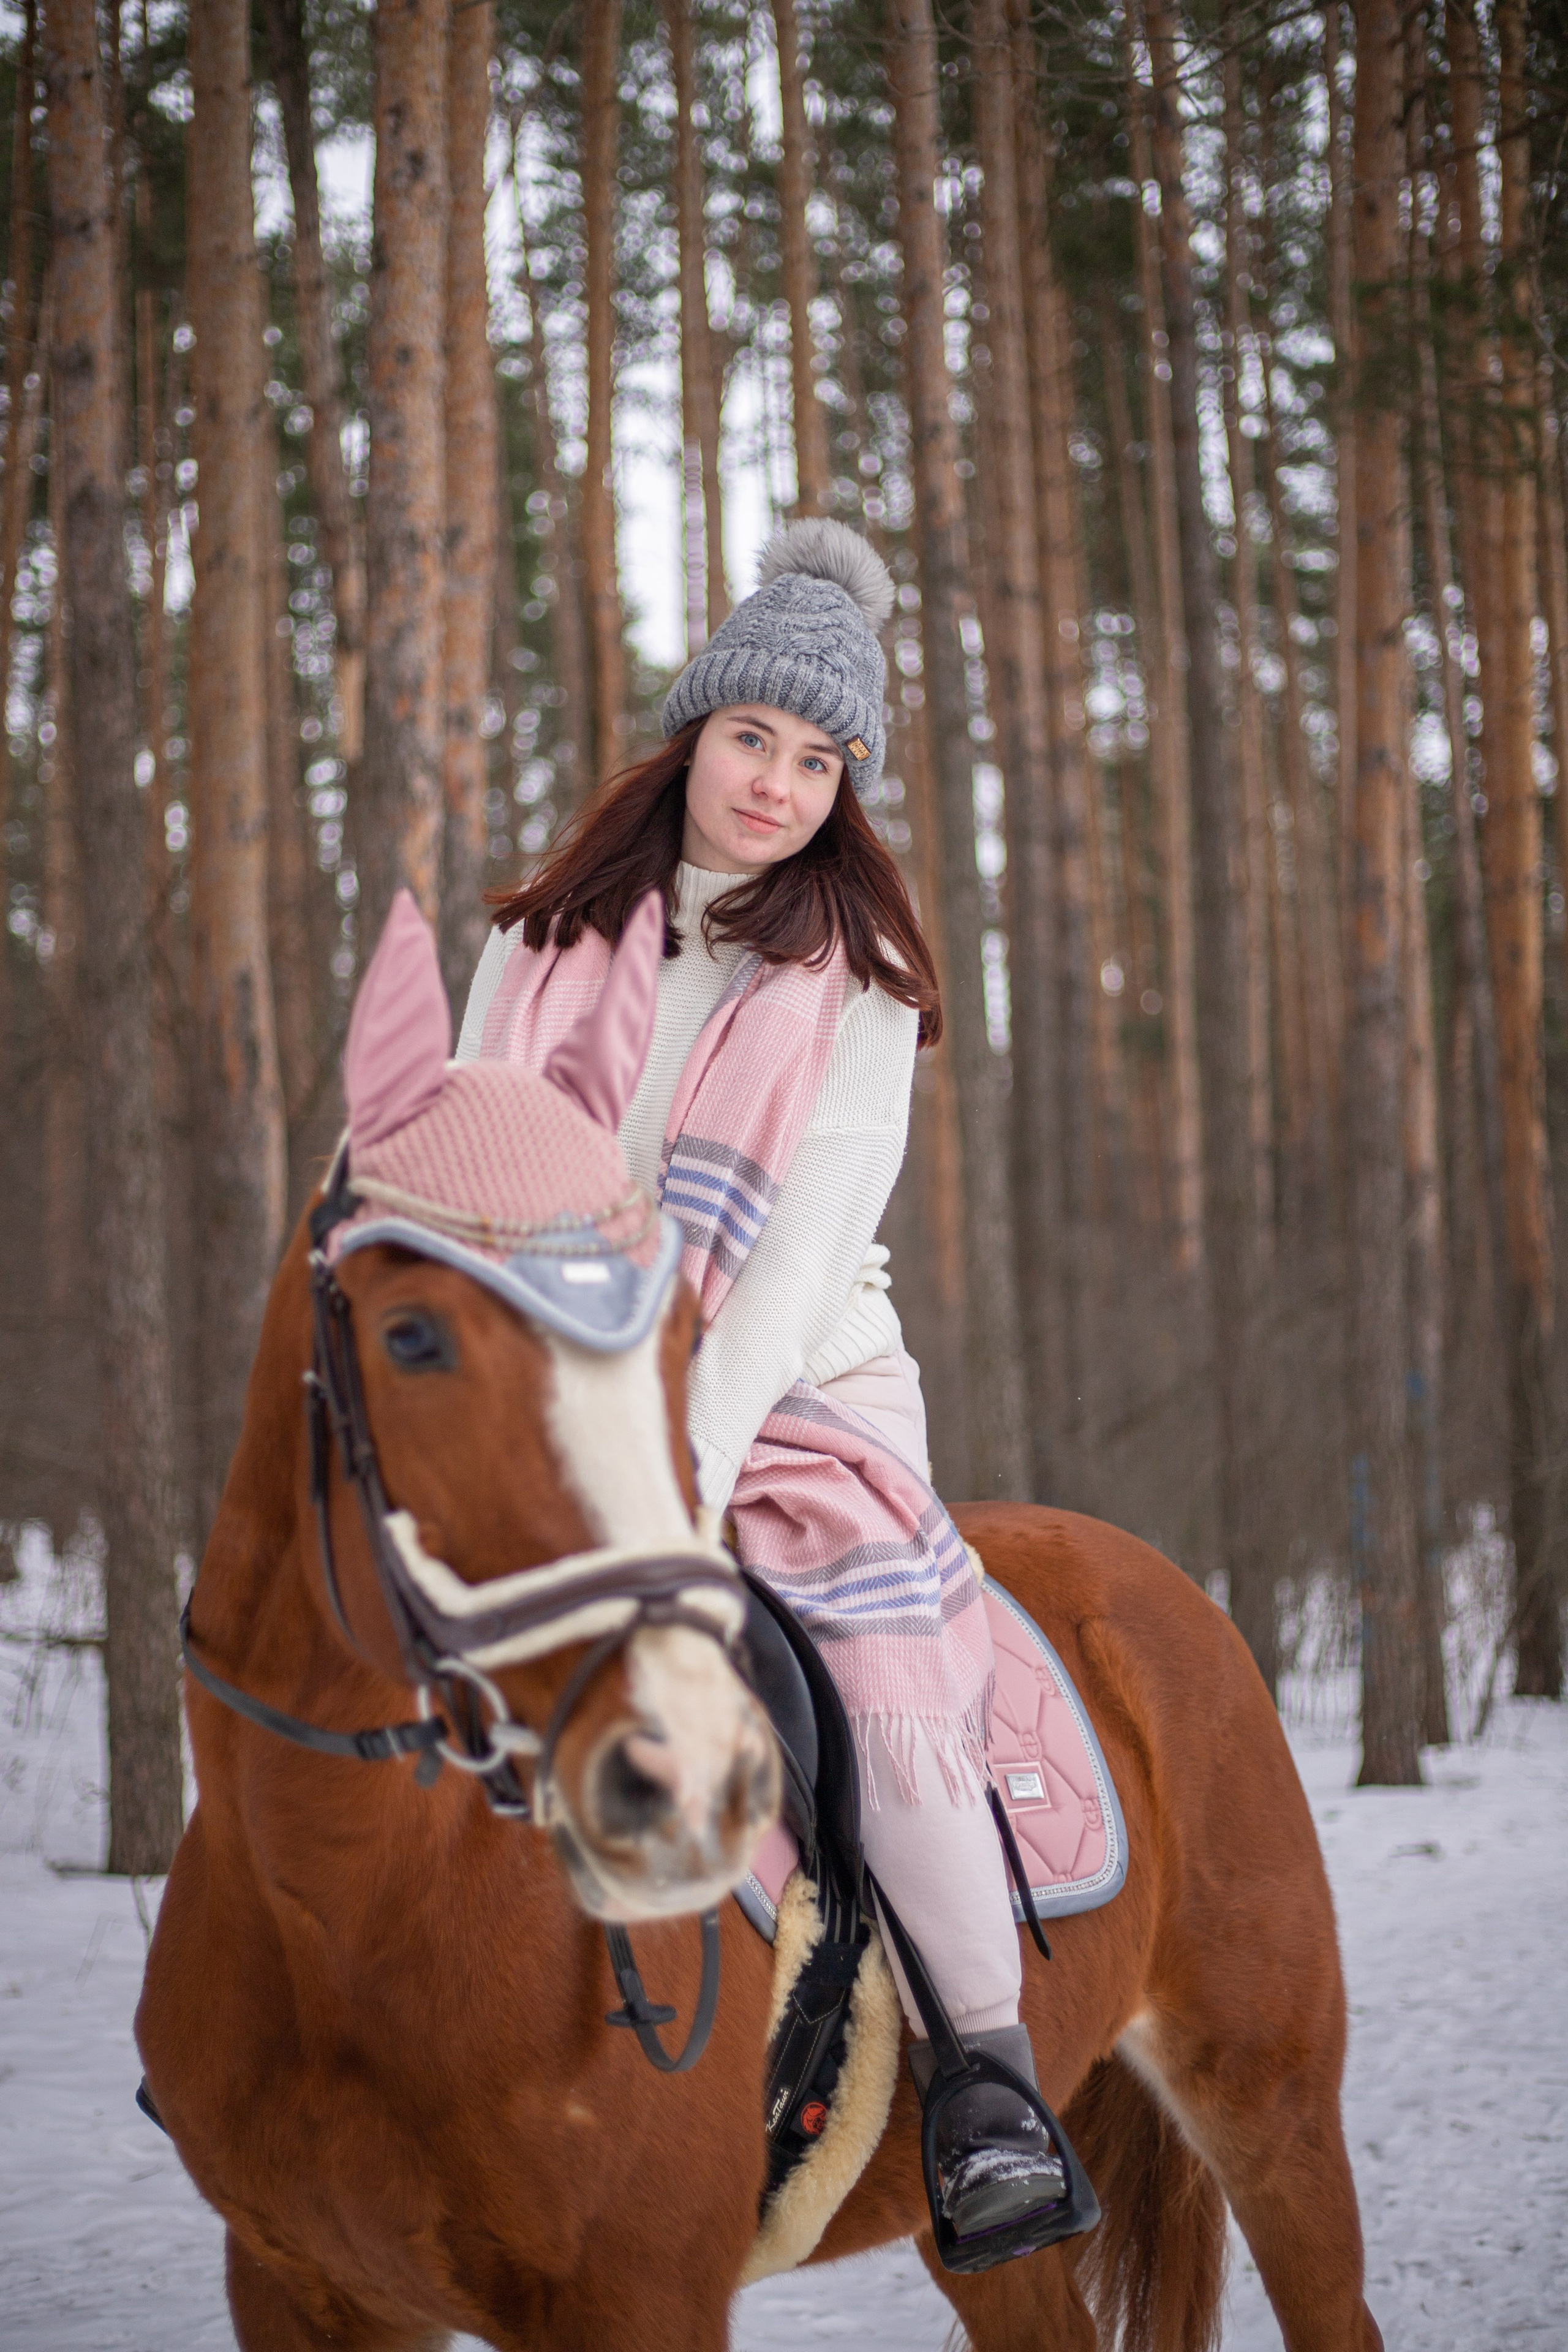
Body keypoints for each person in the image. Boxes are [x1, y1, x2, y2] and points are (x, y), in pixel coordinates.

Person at [458, 519, 1064, 2245]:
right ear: (694, 729)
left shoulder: (856, 980)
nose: (779, 786)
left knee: (876, 1664)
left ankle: (985, 2079)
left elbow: (792, 1273)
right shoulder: (546, 936)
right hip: (562, 1366)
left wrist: (676, 1473)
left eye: (821, 761)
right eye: (754, 741)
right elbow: (477, 1172)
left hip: (790, 1395)